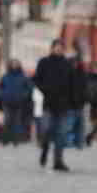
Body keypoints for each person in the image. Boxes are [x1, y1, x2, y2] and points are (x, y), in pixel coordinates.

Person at [33, 39, 77, 171]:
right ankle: (45, 149)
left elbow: (73, 83)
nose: (59, 49)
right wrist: (45, 89)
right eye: (56, 47)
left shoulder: (67, 64)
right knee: (46, 129)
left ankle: (58, 161)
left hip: (63, 104)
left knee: (61, 133)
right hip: (49, 103)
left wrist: (72, 100)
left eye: (61, 47)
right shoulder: (44, 62)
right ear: (52, 48)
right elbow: (36, 79)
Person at [0, 60, 33, 145]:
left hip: (19, 102)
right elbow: (0, 87)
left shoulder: (23, 77)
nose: (14, 66)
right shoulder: (5, 76)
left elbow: (29, 89)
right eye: (13, 64)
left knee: (17, 121)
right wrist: (3, 95)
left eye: (16, 64)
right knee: (7, 120)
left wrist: (24, 96)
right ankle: (5, 139)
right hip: (7, 102)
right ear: (10, 65)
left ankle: (16, 140)